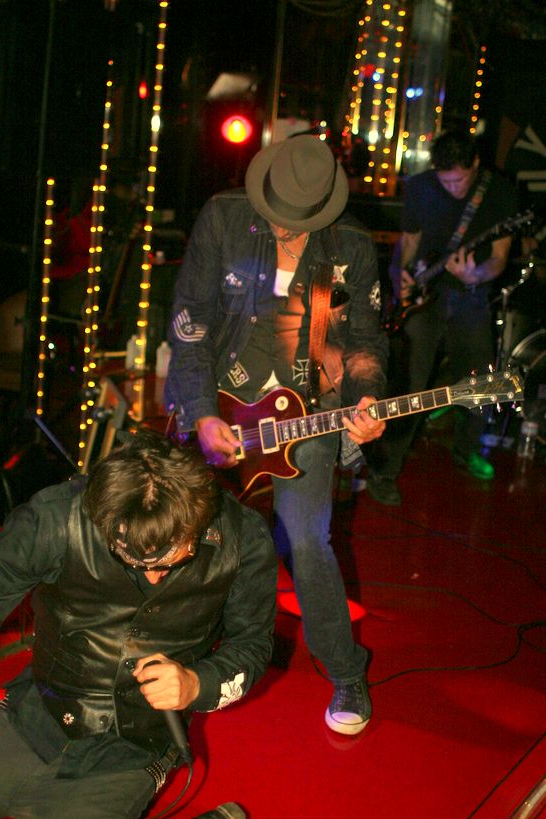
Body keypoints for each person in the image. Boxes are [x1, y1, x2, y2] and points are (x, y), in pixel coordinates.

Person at [0, 432, 279, 819]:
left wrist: (196, 683)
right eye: (135, 560)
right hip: (30, 717)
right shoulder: (56, 517)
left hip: (129, 751)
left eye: (171, 559)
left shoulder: (242, 538)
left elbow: (253, 645)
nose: (155, 576)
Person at [165, 135, 389, 736]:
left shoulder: (350, 246)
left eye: (296, 219)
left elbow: (365, 342)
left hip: (307, 411)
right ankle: (169, 659)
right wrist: (201, 412)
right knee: (183, 536)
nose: (282, 227)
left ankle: (346, 673)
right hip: (221, 404)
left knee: (309, 541)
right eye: (276, 213)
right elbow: (190, 323)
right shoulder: (224, 218)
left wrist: (367, 398)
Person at [366, 128, 519, 506]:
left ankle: (467, 450)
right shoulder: (420, 186)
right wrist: (399, 276)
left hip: (470, 296)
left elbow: (499, 257)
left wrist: (475, 275)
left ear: (476, 164)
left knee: (481, 380)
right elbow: (410, 240)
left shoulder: (500, 192)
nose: (451, 188)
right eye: (444, 180)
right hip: (424, 298)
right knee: (410, 382)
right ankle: (385, 471)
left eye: (459, 181)